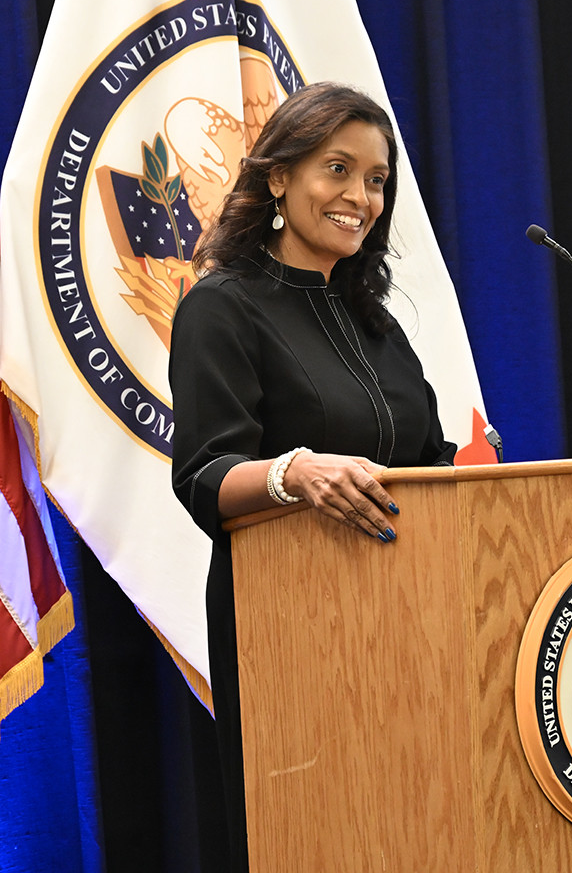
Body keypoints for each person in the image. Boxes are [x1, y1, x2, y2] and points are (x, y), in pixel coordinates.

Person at [169, 81, 458, 870]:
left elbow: (433, 466)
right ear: (278, 178)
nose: (360, 197)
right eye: (338, 169)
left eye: (376, 180)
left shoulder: (379, 323)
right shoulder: (221, 308)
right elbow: (202, 477)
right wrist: (294, 473)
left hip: (412, 625)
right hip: (290, 630)